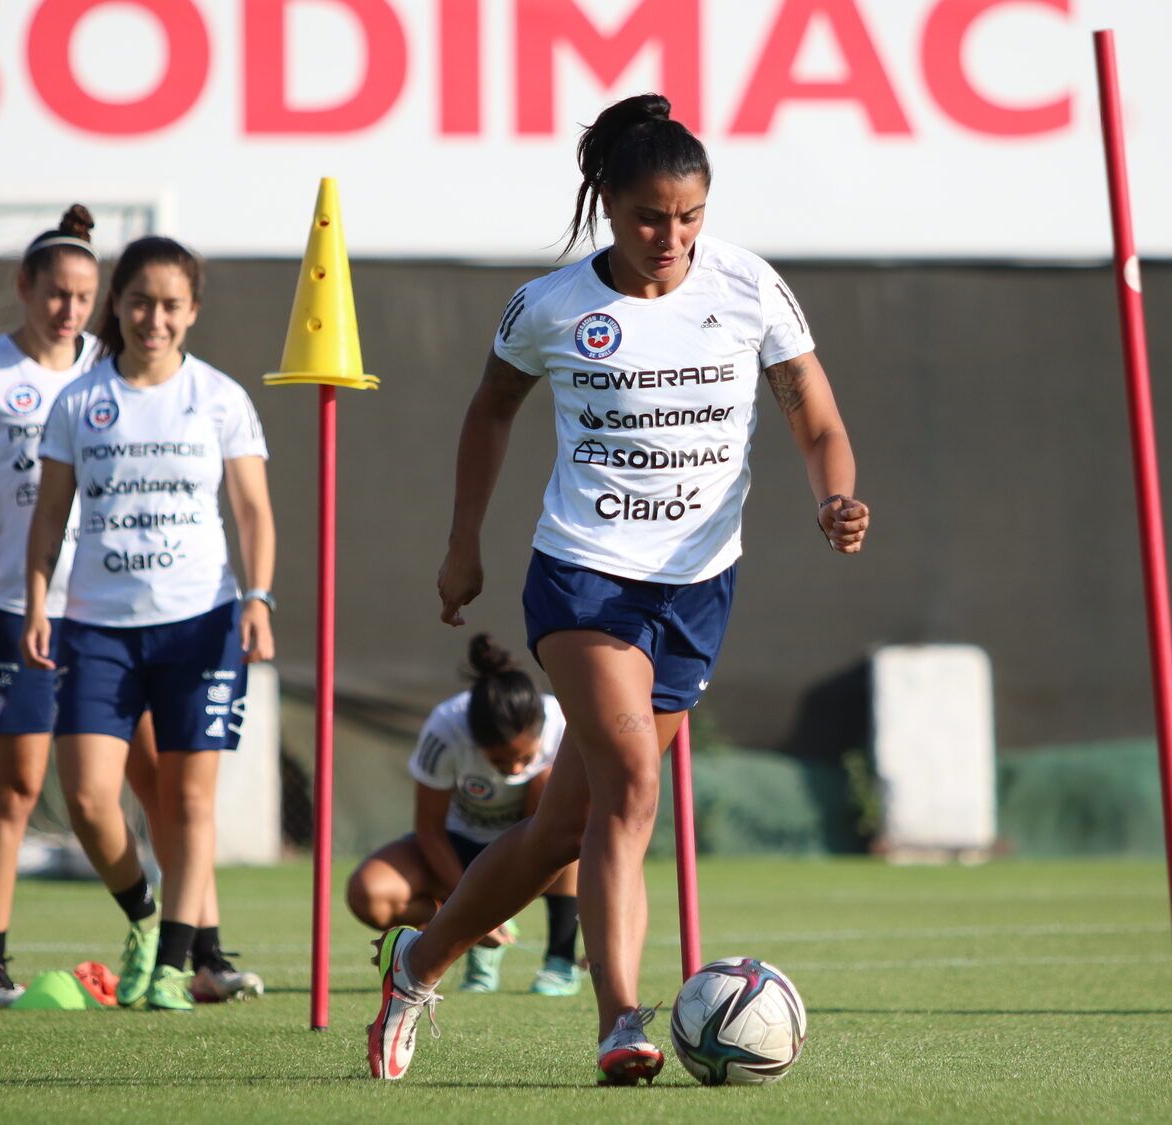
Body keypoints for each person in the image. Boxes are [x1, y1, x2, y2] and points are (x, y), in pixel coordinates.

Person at [367, 92, 870, 1083]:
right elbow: (488, 413)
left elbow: (813, 416)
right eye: (649, 218)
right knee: (633, 790)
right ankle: (617, 1021)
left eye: (688, 216)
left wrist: (837, 497)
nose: (670, 237)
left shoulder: (748, 286)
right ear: (605, 203)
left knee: (567, 825)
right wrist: (463, 542)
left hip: (698, 589)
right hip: (583, 580)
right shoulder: (550, 305)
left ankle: (417, 964)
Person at [23, 236, 276, 1013]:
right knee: (91, 798)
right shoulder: (78, 401)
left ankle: (175, 964)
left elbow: (253, 510)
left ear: (192, 311)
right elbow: (50, 513)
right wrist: (38, 599)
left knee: (188, 801)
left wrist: (259, 597)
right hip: (97, 626)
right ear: (117, 308)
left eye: (170, 305)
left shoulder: (221, 397)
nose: (153, 318)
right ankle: (141, 916)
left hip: (200, 622)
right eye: (139, 302)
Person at [346, 635, 581, 996]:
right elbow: (429, 830)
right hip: (458, 846)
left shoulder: (564, 723)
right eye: (500, 761)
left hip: (534, 841)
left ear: (541, 731)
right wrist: (469, 907)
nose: (513, 770)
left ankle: (560, 961)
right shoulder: (446, 729)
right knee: (369, 894)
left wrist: (488, 904)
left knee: (569, 816)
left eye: (524, 757)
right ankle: (465, 935)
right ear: (475, 740)